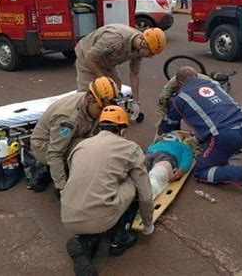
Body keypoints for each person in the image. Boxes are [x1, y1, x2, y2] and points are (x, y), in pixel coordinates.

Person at [61, 106, 154, 276]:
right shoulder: (130, 148)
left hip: (68, 215)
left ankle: (85, 242)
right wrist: (148, 225)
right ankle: (119, 241)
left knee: (102, 185)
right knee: (135, 183)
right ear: (122, 129)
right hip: (101, 215)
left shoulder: (81, 145)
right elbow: (146, 195)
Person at [158, 67, 242, 194]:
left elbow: (168, 127)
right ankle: (224, 152)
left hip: (226, 136)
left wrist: (161, 142)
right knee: (213, 136)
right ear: (196, 75)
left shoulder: (179, 99)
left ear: (180, 84)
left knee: (201, 172)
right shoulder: (213, 83)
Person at [29, 76, 120, 194]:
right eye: (100, 108)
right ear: (89, 98)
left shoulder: (90, 104)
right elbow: (55, 153)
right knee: (85, 151)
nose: (103, 112)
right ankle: (50, 171)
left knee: (96, 146)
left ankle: (65, 168)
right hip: (44, 147)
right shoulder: (68, 118)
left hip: (69, 138)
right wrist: (62, 188)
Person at [74, 23, 167, 103]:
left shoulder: (139, 49)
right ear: (145, 44)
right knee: (87, 94)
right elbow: (90, 58)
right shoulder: (115, 40)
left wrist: (136, 101)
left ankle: (107, 112)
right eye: (151, 53)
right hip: (87, 56)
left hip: (107, 61)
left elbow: (134, 73)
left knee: (115, 86)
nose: (150, 57)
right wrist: (102, 79)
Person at [145, 131, 194, 199]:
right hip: (165, 156)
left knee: (154, 174)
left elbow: (187, 159)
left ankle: (142, 194)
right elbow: (187, 159)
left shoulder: (184, 146)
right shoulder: (184, 146)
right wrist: (182, 169)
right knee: (157, 174)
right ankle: (145, 195)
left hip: (159, 155)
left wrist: (182, 169)